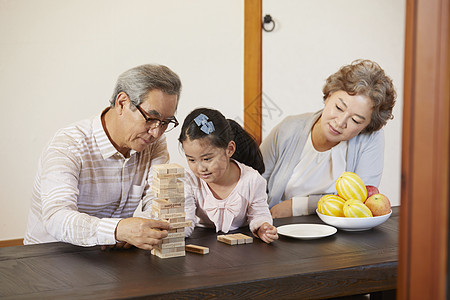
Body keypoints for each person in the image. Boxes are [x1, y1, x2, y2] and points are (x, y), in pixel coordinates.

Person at [24, 64, 182, 250]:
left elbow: (160, 203)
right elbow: (56, 217)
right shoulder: (67, 145)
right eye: (150, 118)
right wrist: (118, 230)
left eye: (165, 123)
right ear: (122, 102)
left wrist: (139, 228)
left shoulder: (154, 143)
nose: (156, 132)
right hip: (51, 254)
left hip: (110, 255)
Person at [260, 59, 396, 218]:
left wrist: (298, 206)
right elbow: (252, 183)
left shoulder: (370, 138)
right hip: (280, 230)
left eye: (356, 121)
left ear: (367, 126)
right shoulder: (288, 129)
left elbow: (361, 201)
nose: (340, 122)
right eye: (338, 107)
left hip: (340, 236)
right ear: (329, 96)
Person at [179, 108, 278, 243]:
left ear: (229, 149)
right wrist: (172, 231)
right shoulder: (189, 181)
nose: (200, 168)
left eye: (207, 159)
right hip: (202, 243)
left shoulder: (252, 180)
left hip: (243, 248)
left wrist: (262, 227)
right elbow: (186, 219)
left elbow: (259, 214)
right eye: (191, 160)